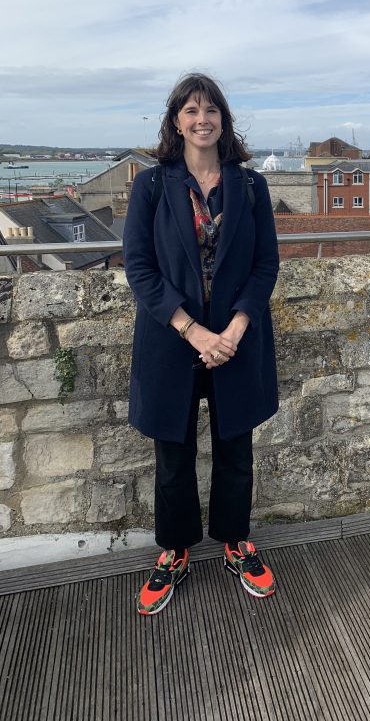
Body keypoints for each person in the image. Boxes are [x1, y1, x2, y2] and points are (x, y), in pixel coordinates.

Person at [123, 72, 280, 616]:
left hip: (236, 342)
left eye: (210, 109)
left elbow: (265, 266)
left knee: (236, 447)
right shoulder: (149, 186)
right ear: (175, 121)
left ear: (223, 121)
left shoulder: (252, 187)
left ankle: (236, 542)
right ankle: (175, 550)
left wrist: (233, 331)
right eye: (190, 110)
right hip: (173, 341)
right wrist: (193, 329)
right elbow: (140, 270)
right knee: (174, 452)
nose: (202, 119)